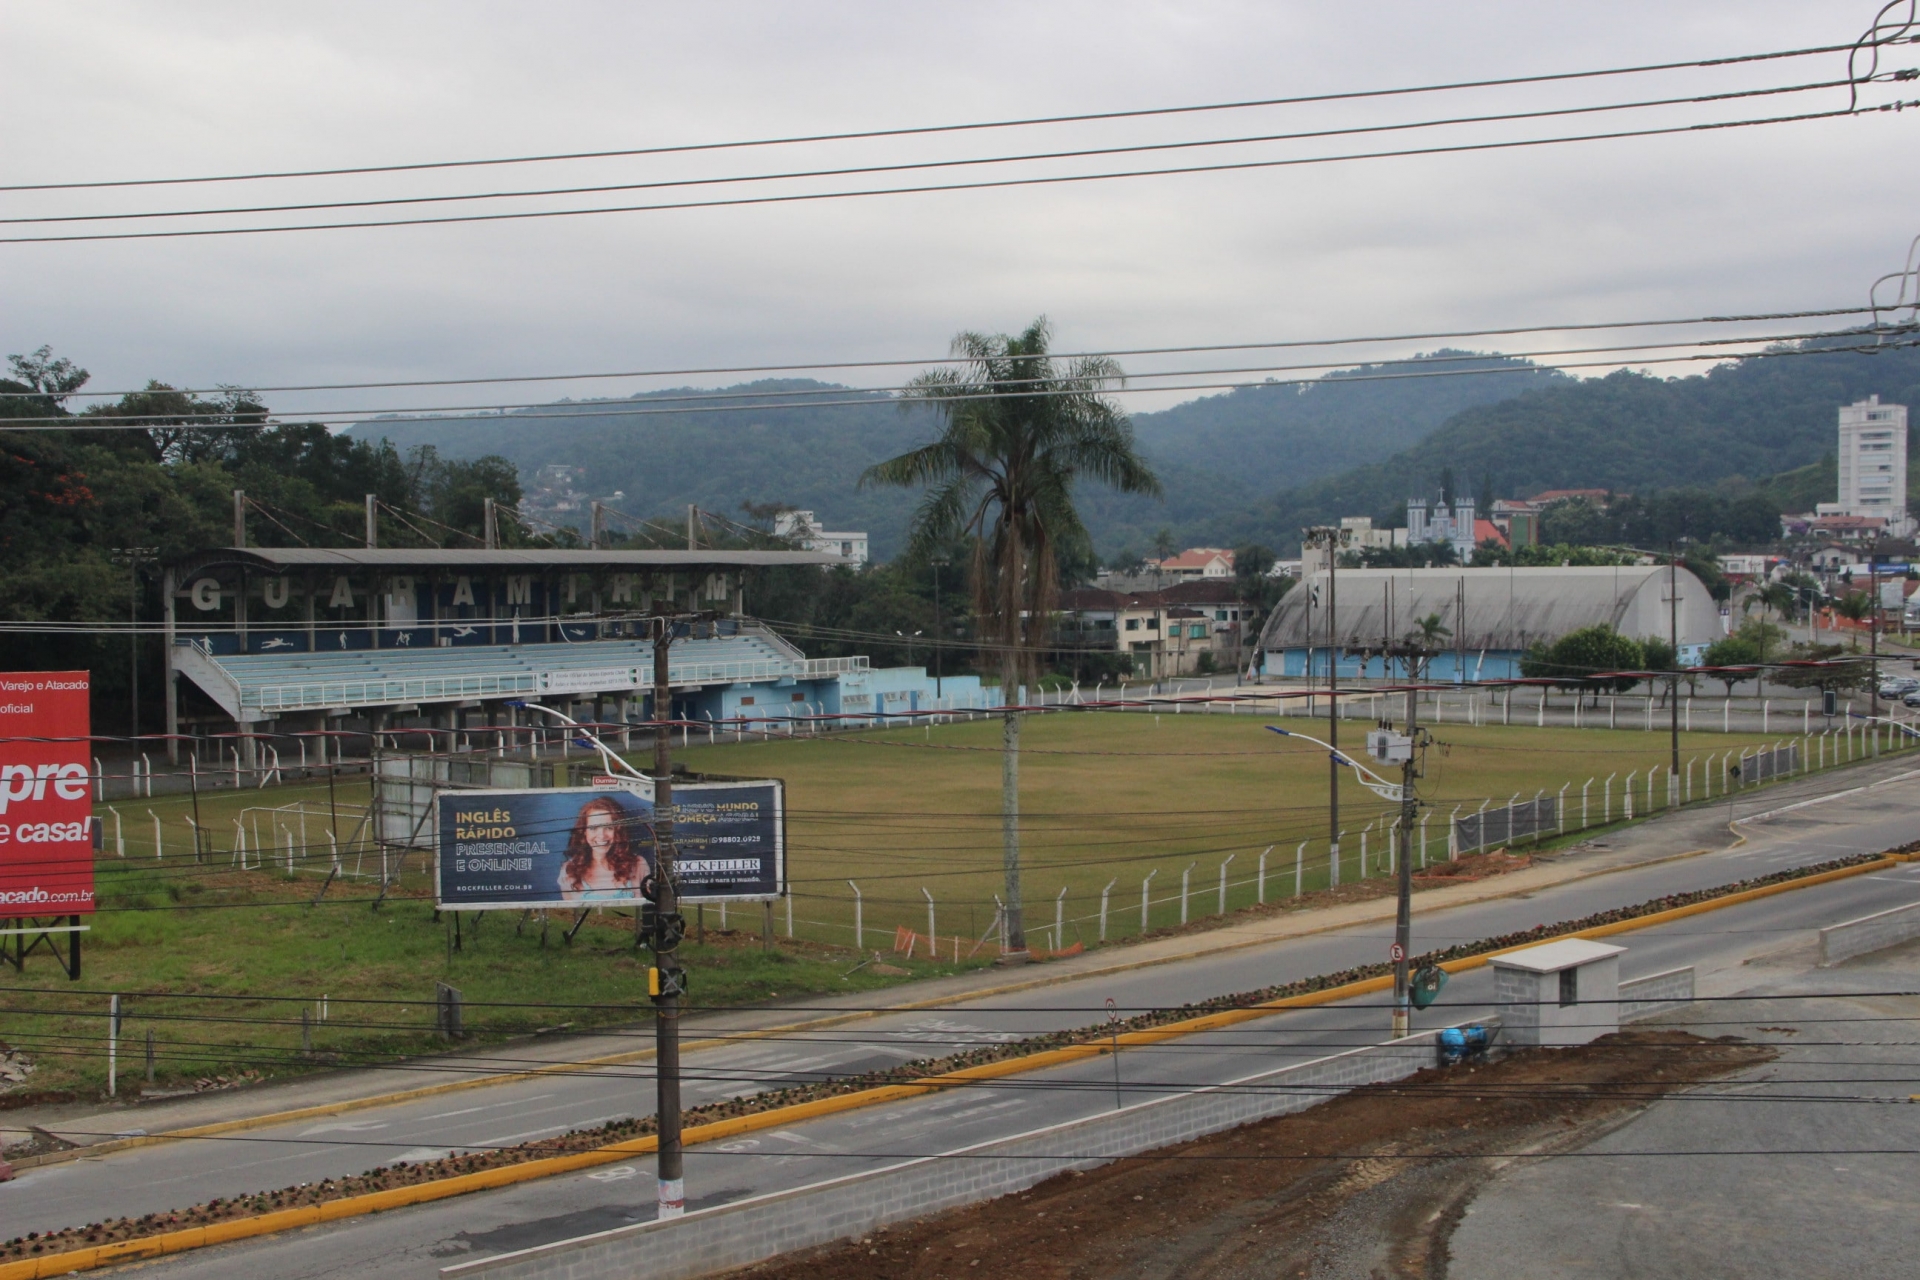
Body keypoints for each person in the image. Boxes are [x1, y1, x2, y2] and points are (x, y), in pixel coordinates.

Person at [558, 795, 650, 901]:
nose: (601, 835)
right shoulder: (569, 871)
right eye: (593, 828)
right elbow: (570, 916)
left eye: (608, 827)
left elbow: (646, 910)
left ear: (618, 831)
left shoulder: (639, 865)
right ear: (584, 832)